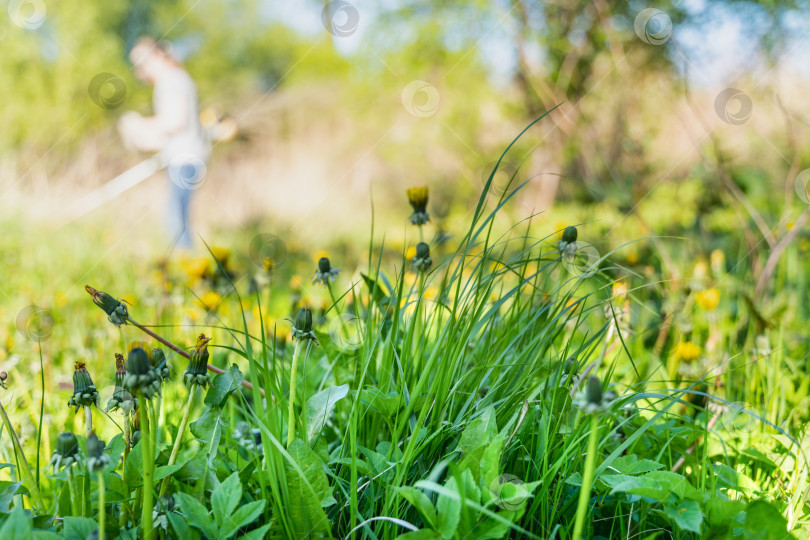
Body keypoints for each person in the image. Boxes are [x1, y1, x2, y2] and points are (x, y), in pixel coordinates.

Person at [118, 37, 210, 250]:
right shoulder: (175, 79)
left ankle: (188, 270)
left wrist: (138, 125)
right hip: (183, 157)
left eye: (143, 62)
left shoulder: (172, 80)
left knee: (176, 220)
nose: (141, 70)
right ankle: (186, 268)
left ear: (159, 55)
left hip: (185, 159)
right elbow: (173, 131)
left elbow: (174, 121)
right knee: (176, 218)